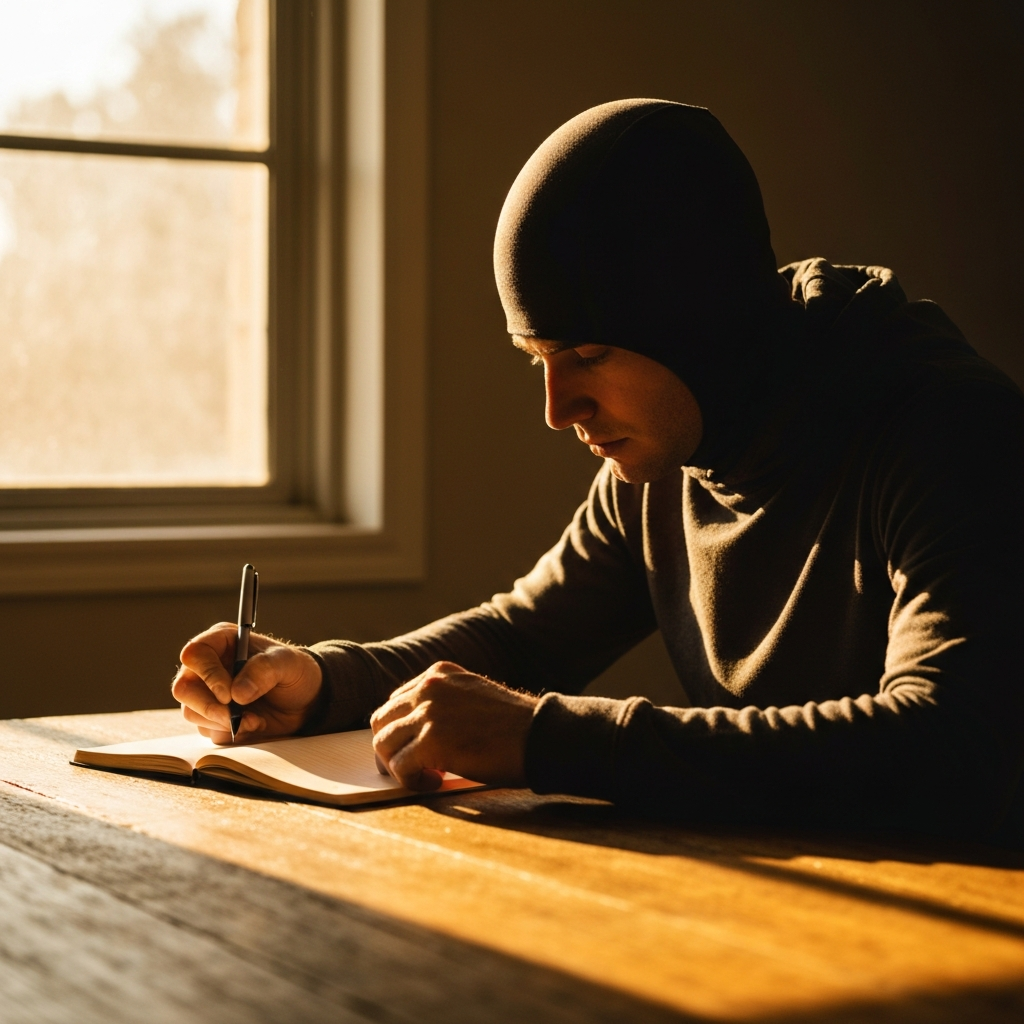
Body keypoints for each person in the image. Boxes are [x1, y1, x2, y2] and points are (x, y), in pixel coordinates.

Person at [173, 100, 1024, 842]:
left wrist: (549, 739)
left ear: (705, 325)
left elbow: (949, 750)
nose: (557, 407)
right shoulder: (671, 455)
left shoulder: (945, 429)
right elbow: (526, 638)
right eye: (535, 356)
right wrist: (323, 682)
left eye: (588, 352)